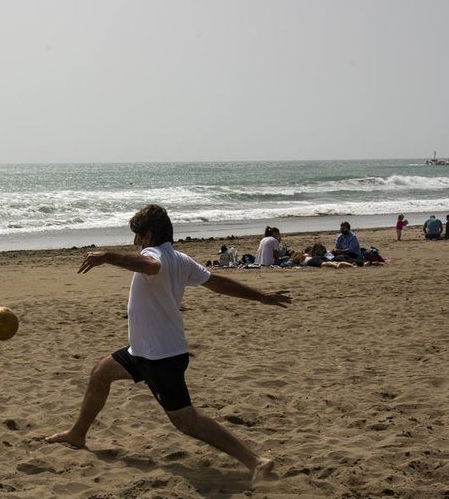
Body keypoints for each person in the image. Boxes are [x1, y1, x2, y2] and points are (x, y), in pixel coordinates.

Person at [45, 204, 291, 480]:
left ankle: (255, 462)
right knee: (101, 374)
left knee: (187, 422)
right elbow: (217, 283)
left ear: (148, 235)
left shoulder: (155, 255)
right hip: (142, 351)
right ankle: (78, 434)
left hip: (159, 358)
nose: (135, 242)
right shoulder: (181, 259)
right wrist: (261, 296)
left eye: (137, 236)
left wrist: (108, 256)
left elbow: (151, 266)